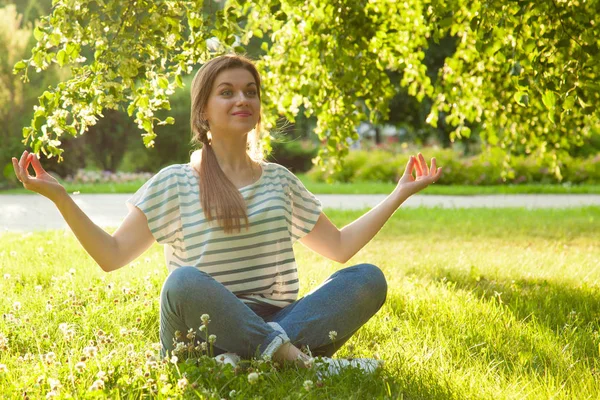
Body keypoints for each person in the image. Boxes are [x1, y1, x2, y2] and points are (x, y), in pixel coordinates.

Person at [12, 54, 442, 374]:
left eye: (250, 92)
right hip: (203, 329)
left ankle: (249, 361)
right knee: (182, 283)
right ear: (203, 112)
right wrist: (61, 197)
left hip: (280, 318)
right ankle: (297, 361)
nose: (243, 99)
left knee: (366, 279)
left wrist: (398, 194)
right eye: (228, 92)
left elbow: (340, 248)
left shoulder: (279, 181)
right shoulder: (174, 182)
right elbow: (111, 256)